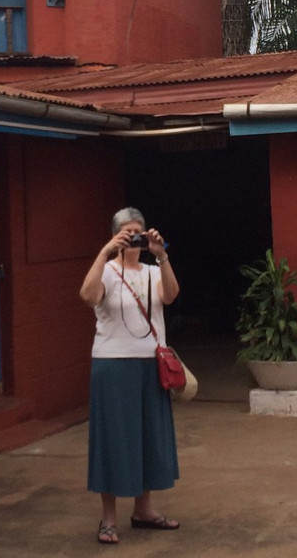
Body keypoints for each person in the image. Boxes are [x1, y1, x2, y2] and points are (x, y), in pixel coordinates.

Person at [79, 207, 181, 545]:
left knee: (148, 435)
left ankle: (144, 509)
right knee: (114, 438)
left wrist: (161, 255)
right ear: (116, 235)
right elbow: (88, 296)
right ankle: (108, 518)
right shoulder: (106, 271)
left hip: (149, 364)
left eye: (139, 232)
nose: (134, 238)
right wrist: (105, 251)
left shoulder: (153, 271)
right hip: (113, 363)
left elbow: (170, 295)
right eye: (127, 233)